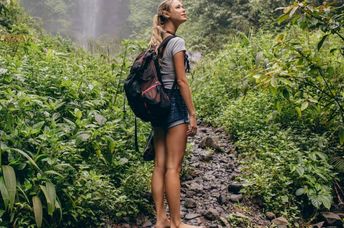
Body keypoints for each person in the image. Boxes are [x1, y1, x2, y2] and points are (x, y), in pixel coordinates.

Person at [148, 1, 200, 228]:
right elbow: (181, 80)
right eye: (179, 7)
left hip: (157, 106)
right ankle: (178, 223)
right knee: (172, 167)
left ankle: (161, 219)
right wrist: (192, 113)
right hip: (174, 104)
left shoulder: (156, 43)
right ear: (167, 14)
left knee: (159, 165)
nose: (184, 9)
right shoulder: (176, 42)